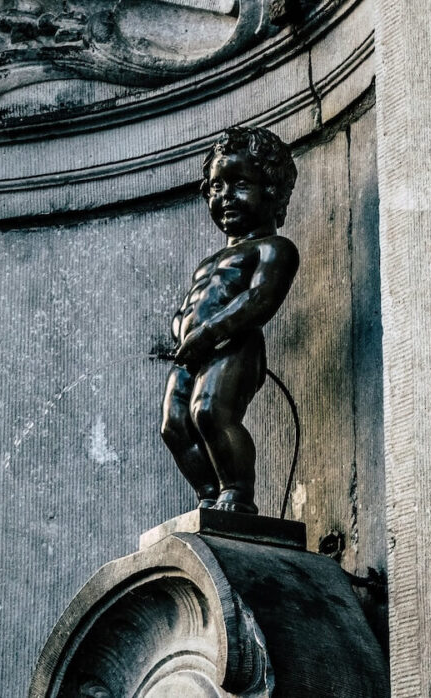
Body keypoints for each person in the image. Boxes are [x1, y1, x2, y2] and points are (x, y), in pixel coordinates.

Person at [161, 126, 298, 514]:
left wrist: (207, 333)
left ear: (271, 191)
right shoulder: (208, 263)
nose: (225, 196)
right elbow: (189, 305)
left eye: (239, 183)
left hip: (235, 345)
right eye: (216, 186)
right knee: (174, 425)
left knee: (209, 412)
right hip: (193, 351)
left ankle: (236, 492)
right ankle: (209, 496)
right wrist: (180, 330)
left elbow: (260, 299)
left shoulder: (274, 249)